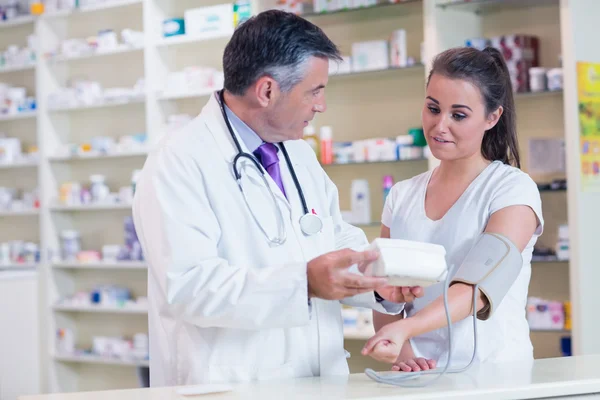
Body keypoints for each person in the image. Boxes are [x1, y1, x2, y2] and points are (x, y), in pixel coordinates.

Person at [132, 10, 421, 387]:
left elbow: (330, 235)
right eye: (314, 91)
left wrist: (377, 282)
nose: (322, 106)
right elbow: (189, 287)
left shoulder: (296, 152)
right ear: (267, 90)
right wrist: (303, 284)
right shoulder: (179, 161)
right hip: (232, 385)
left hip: (317, 380)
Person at [360, 46, 544, 372]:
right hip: (422, 380)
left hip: (495, 376)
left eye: (458, 115)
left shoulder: (511, 189)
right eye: (433, 108)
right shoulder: (401, 196)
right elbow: (385, 295)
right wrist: (405, 356)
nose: (439, 126)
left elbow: (479, 288)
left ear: (492, 117)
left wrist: (407, 329)